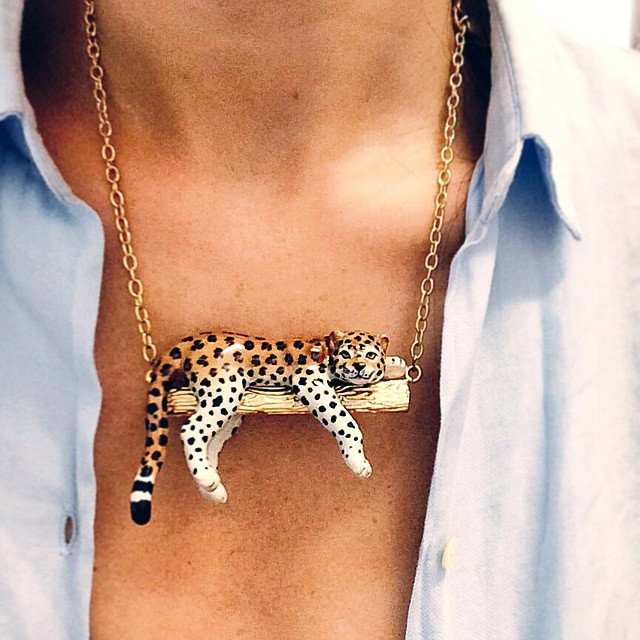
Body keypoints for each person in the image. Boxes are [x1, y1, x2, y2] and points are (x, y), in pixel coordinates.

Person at [1, 0, 639, 638]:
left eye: (364, 361)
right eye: (353, 360)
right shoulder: (317, 374)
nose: (359, 366)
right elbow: (325, 402)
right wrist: (352, 446)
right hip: (221, 367)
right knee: (210, 421)